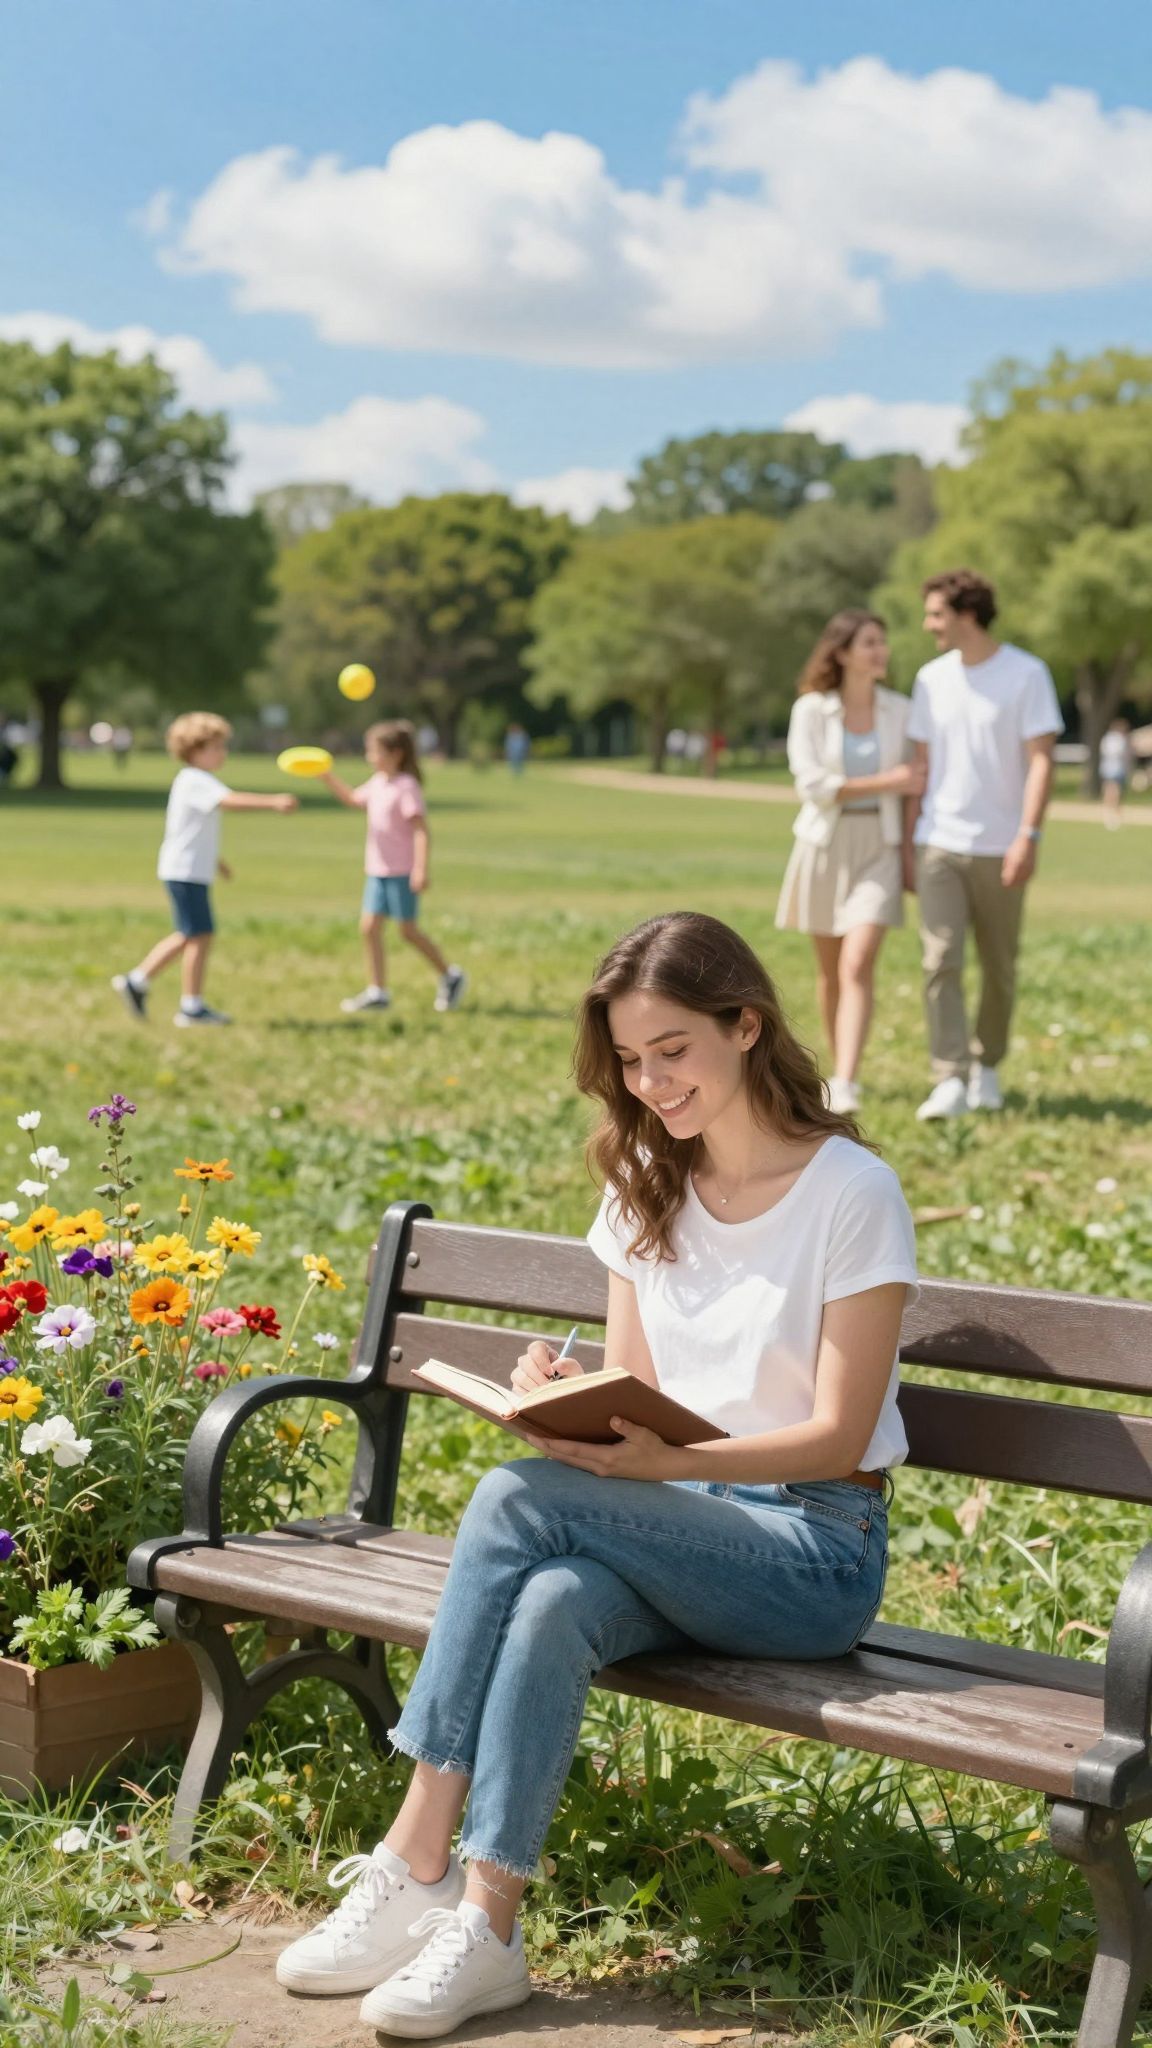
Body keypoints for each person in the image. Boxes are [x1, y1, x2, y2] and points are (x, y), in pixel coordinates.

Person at [275, 911, 917, 2039]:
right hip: (686, 1523)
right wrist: (561, 1384)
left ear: (747, 1024)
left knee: (512, 1497)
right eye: (630, 1058)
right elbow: (638, 1380)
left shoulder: (850, 1193)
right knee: (555, 1598)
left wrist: (680, 1459)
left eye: (673, 1048)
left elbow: (838, 1433)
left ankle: (413, 1848)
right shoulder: (642, 1179)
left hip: (813, 1550)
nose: (651, 1080)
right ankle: (488, 1923)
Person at [904, 570, 1062, 1121]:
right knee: (939, 959)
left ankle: (986, 1065)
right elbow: (920, 769)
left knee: (999, 964)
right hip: (938, 842)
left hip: (1003, 845)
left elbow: (1042, 758)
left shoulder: (1026, 674)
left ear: (967, 614)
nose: (929, 625)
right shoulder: (929, 679)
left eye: (936, 614)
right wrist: (907, 842)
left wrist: (1028, 834)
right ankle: (949, 1077)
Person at [776, 610, 924, 1114]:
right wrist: (892, 780)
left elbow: (917, 782)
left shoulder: (901, 711)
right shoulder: (811, 710)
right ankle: (839, 1073)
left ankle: (848, 1078)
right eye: (869, 643)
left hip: (878, 844)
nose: (880, 651)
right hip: (824, 845)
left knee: (858, 962)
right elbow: (812, 785)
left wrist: (908, 853)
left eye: (882, 642)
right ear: (841, 652)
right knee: (830, 971)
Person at [112, 712, 296, 1027]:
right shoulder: (195, 780)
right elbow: (230, 801)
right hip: (184, 871)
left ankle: (137, 981)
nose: (222, 753)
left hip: (188, 869)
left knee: (189, 934)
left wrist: (216, 861)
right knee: (199, 934)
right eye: (215, 747)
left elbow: (194, 831)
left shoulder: (196, 781)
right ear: (194, 750)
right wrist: (273, 802)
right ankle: (190, 1007)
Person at [322, 719, 467, 1015]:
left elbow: (421, 830)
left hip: (401, 871)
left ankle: (450, 975)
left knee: (408, 931)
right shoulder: (378, 783)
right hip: (377, 870)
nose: (368, 757)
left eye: (373, 751)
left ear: (396, 753)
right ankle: (377, 992)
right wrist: (325, 775)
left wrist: (420, 868)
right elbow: (352, 799)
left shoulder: (406, 786)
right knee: (369, 927)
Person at [1099, 718, 1131, 830]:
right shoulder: (1116, 739)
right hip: (1113, 769)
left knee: (1112, 791)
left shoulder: (1110, 738)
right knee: (1113, 791)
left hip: (1114, 768)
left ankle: (1112, 812)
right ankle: (1111, 813)